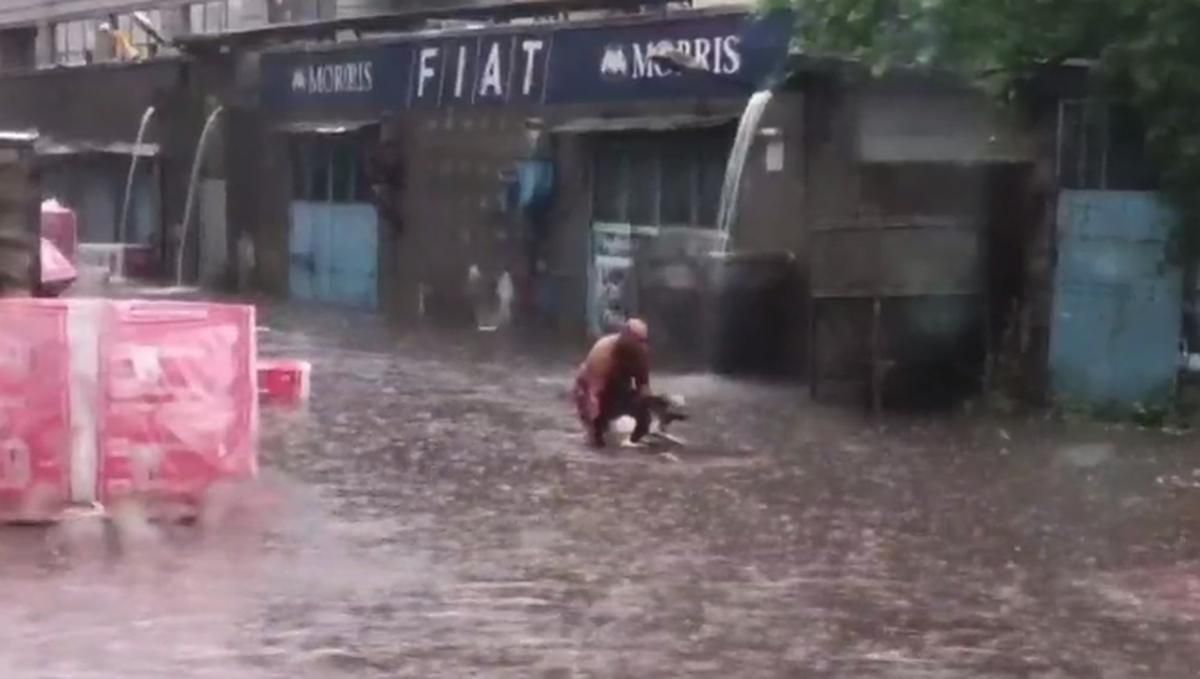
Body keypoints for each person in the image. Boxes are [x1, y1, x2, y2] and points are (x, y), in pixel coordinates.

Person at [574, 318, 652, 448]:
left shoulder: (641, 353)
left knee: (643, 409)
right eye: (637, 341)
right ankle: (598, 439)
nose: (640, 346)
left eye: (642, 342)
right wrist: (593, 428)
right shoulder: (603, 354)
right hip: (593, 387)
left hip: (619, 385)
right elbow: (592, 396)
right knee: (597, 431)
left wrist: (655, 404)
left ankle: (639, 437)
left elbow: (643, 387)